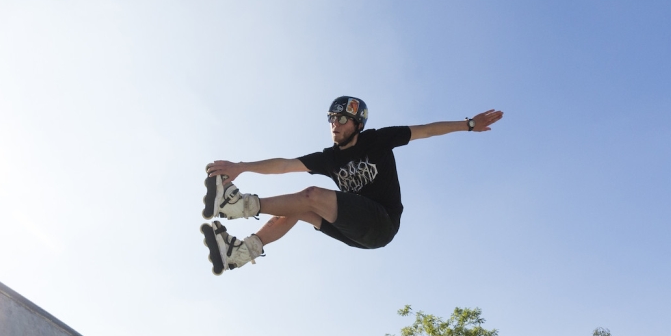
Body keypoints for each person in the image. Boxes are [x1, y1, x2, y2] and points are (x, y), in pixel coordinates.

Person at [201, 96, 503, 275]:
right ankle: (242, 252)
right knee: (298, 207)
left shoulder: (378, 140)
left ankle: (241, 206)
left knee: (312, 196)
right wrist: (242, 167)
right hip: (355, 234)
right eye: (332, 119)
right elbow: (284, 164)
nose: (336, 125)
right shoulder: (329, 158)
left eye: (343, 120)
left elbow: (425, 131)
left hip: (382, 222)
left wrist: (469, 124)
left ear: (358, 124)